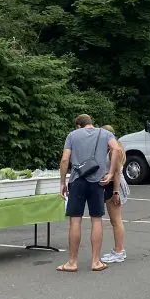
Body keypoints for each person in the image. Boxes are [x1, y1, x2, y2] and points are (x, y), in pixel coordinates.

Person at [58, 115, 120, 273]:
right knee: (96, 220)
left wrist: (62, 182)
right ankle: (95, 261)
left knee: (75, 220)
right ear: (91, 123)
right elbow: (116, 149)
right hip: (98, 181)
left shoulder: (72, 135)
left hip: (77, 181)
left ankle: (72, 262)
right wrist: (110, 173)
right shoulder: (105, 133)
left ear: (79, 125)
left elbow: (65, 160)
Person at [100, 125, 128, 265]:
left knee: (116, 220)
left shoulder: (113, 151)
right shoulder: (114, 148)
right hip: (113, 185)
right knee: (114, 220)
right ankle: (118, 250)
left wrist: (115, 192)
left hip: (115, 186)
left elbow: (116, 173)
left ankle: (119, 252)